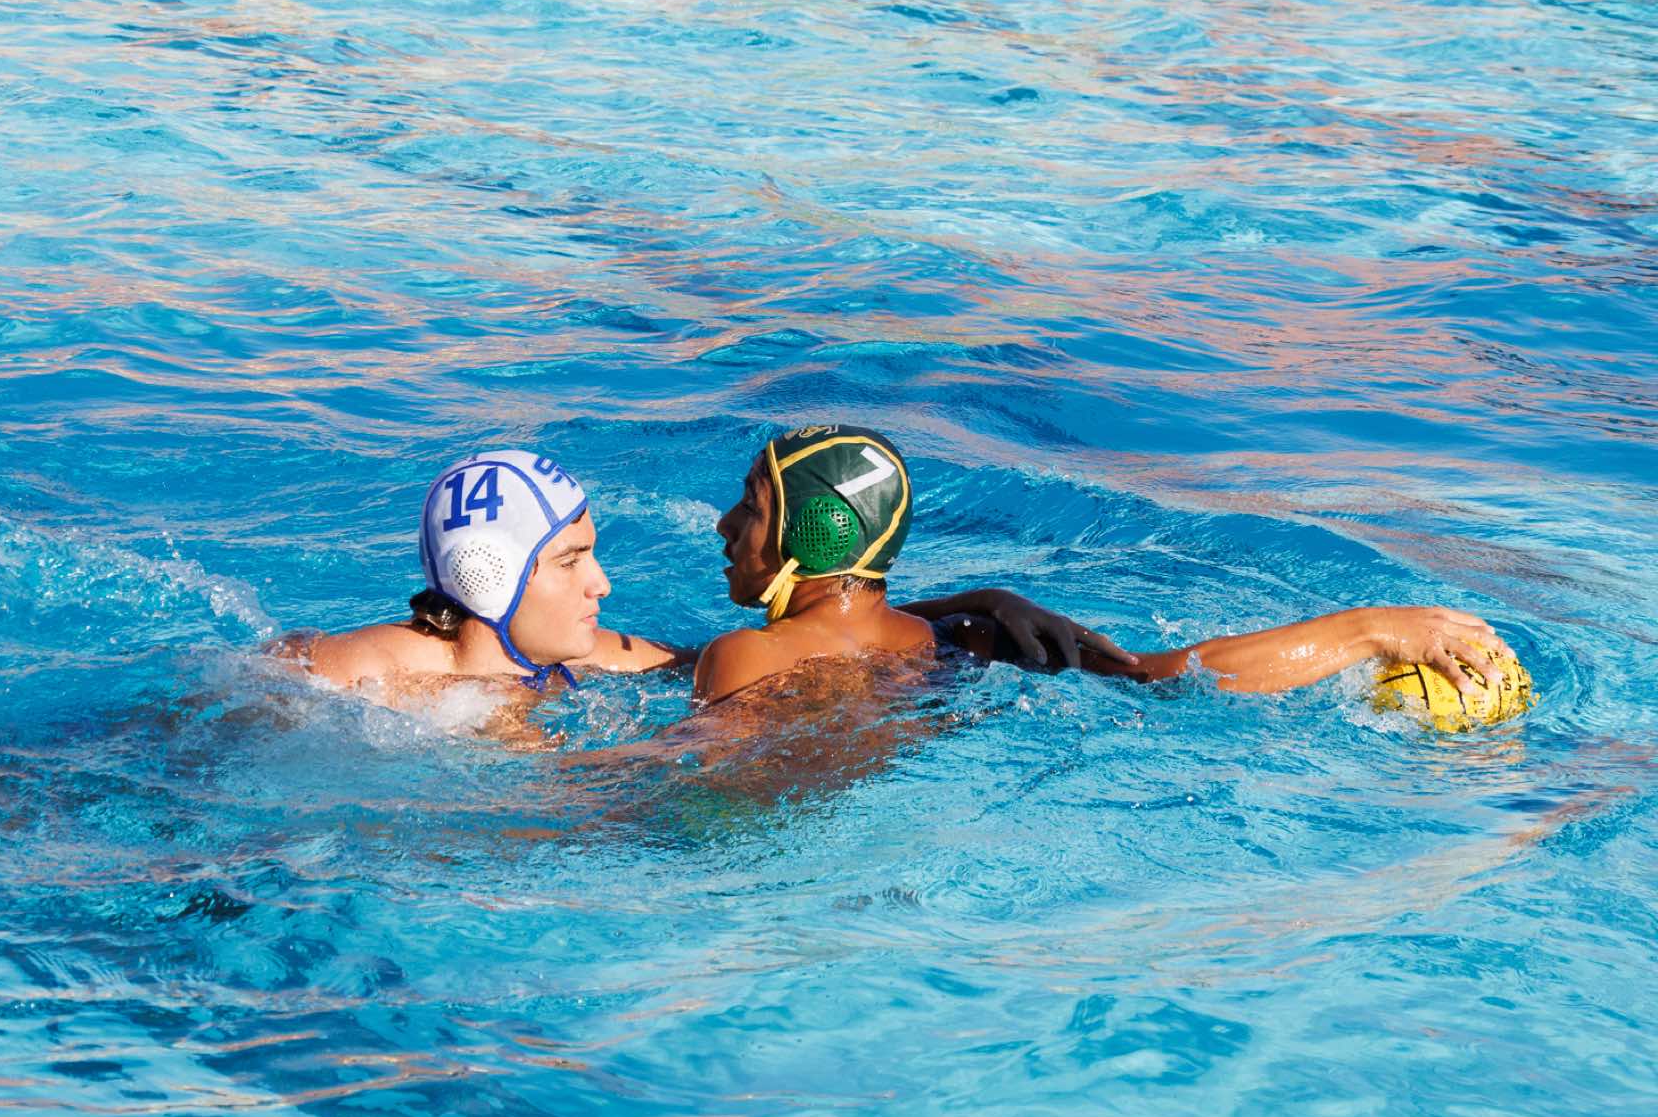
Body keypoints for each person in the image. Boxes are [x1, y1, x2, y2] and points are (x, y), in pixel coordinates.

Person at [696, 423, 1513, 705]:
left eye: (752, 505)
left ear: (819, 532)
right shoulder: (958, 643)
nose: (727, 525)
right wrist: (1371, 628)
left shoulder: (738, 659)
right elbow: (1166, 674)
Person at [276, 448, 1103, 717]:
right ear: (489, 575)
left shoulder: (589, 659)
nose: (602, 583)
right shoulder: (351, 674)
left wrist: (978, 605)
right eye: (569, 560)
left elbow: (811, 642)